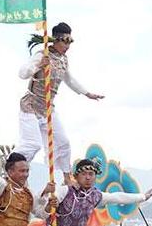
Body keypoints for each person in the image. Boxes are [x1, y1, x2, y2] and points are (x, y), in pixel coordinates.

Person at [14, 22, 104, 186]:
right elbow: (22, 73)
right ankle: (11, 171)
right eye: (64, 41)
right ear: (55, 40)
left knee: (63, 142)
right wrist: (38, 65)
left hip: (48, 108)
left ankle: (66, 175)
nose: (67, 46)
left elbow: (69, 79)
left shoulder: (63, 59)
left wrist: (87, 93)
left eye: (70, 42)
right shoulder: (42, 54)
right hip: (31, 106)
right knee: (32, 144)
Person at [38, 158, 152, 226]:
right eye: (84, 174)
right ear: (77, 176)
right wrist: (50, 204)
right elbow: (44, 212)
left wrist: (142, 197)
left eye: (91, 174)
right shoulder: (65, 190)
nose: (88, 177)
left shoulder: (95, 196)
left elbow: (117, 197)